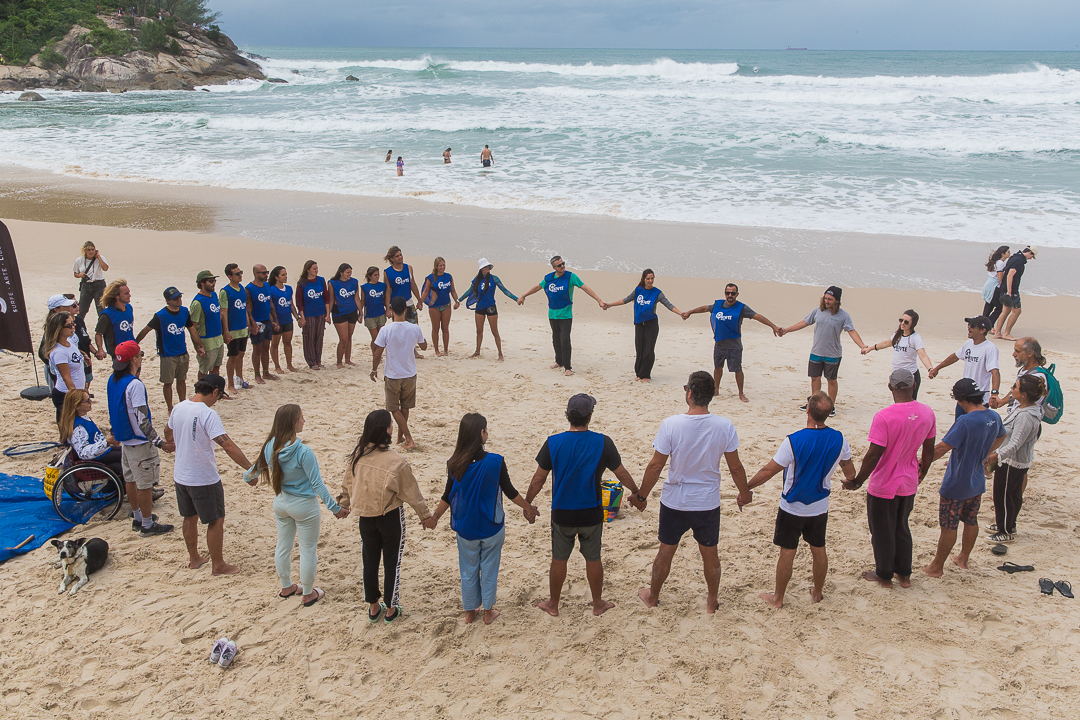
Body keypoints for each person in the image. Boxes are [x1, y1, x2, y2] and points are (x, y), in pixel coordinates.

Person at [634, 372, 749, 612]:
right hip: (706, 502)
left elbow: (656, 466)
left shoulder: (671, 424)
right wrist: (744, 492)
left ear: (689, 394)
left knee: (665, 551)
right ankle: (711, 601)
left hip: (675, 500)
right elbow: (735, 467)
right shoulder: (724, 426)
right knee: (710, 555)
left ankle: (653, 596)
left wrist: (641, 496)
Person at [525, 394, 644, 617]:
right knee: (593, 558)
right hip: (591, 513)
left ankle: (553, 604)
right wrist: (637, 493)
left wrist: (528, 504)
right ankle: (597, 603)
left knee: (559, 559)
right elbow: (622, 474)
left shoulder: (553, 442)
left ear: (568, 415)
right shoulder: (603, 442)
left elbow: (537, 480)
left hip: (562, 513)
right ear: (590, 416)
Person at [747, 393, 854, 608]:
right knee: (818, 548)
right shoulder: (839, 439)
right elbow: (850, 472)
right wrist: (849, 482)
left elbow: (768, 471)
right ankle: (817, 593)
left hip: (792, 505)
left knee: (788, 551)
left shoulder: (794, 440)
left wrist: (746, 487)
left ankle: (778, 598)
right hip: (819, 505)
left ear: (807, 410)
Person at [430, 413, 538, 624]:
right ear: (481, 433)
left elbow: (447, 496)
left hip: (466, 528)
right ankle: (488, 612)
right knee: (489, 568)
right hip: (492, 526)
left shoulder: (454, 463)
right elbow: (510, 492)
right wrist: (529, 508)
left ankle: (470, 612)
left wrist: (434, 518)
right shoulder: (495, 462)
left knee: (468, 569)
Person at [337, 409, 437, 624]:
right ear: (387, 430)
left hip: (365, 517)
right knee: (392, 561)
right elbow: (412, 494)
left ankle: (373, 606)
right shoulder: (396, 462)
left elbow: (347, 484)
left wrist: (343, 504)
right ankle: (391, 607)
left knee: (369, 560)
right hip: (389, 517)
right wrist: (426, 517)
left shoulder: (357, 456)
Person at [245, 404, 349, 607]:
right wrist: (335, 508)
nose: (304, 420)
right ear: (293, 422)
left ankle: (286, 586)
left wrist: (248, 477)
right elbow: (317, 483)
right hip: (303, 506)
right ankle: (308, 593)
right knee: (308, 549)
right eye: (301, 417)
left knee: (283, 545)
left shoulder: (270, 445)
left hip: (281, 502)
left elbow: (253, 471)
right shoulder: (303, 452)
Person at [843, 369, 936, 589]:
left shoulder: (885, 416)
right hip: (908, 479)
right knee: (902, 526)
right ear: (914, 385)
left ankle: (884, 574)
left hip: (884, 482)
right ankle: (904, 575)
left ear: (890, 387)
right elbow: (929, 449)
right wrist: (923, 471)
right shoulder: (927, 413)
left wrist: (857, 481)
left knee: (882, 530)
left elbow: (873, 454)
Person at [168, 374, 253, 575]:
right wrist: (249, 468)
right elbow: (228, 445)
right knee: (216, 519)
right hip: (202, 476)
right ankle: (218, 564)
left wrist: (178, 444)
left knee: (189, 517)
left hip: (181, 474)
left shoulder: (179, 407)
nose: (217, 401)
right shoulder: (208, 414)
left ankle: (194, 558)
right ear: (214, 391)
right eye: (219, 397)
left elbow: (167, 432)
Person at [923, 378, 1005, 578]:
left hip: (957, 482)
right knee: (971, 520)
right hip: (976, 481)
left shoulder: (965, 421)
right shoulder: (994, 416)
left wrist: (921, 465)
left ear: (960, 400)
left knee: (949, 525)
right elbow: (1002, 436)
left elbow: (943, 448)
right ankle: (963, 558)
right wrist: (987, 452)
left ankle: (937, 566)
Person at [106, 341, 174, 536]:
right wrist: (160, 442)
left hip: (125, 439)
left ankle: (137, 517)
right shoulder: (135, 385)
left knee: (130, 479)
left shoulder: (113, 379)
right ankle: (147, 524)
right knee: (144, 484)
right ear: (135, 359)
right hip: (140, 441)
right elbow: (142, 419)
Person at [681, 283, 781, 400]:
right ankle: (716, 389)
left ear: (737, 294)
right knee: (718, 368)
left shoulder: (741, 308)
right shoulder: (717, 305)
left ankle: (741, 393)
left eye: (733, 293)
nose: (730, 295)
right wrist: (690, 312)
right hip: (719, 344)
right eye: (728, 293)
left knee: (737, 369)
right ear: (724, 293)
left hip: (735, 346)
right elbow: (704, 308)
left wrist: (773, 326)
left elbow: (757, 316)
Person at [780, 286, 867, 411]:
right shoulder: (817, 311)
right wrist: (787, 330)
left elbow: (852, 331)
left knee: (831, 380)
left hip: (833, 354)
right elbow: (804, 322)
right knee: (815, 378)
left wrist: (862, 346)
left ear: (837, 301)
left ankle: (830, 407)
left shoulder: (844, 316)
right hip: (816, 352)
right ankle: (815, 405)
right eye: (825, 298)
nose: (826, 301)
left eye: (830, 299)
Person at [518, 255, 604, 376]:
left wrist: (598, 300)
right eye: (559, 265)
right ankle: (559, 361)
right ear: (554, 267)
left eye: (563, 263)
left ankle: (568, 367)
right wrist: (523, 295)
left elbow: (585, 287)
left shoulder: (571, 277)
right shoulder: (548, 278)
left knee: (565, 340)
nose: (562, 266)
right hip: (552, 314)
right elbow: (538, 287)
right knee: (556, 340)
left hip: (566, 314)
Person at [984, 374, 1046, 543]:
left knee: (1003, 495)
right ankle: (1008, 525)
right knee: (1012, 494)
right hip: (1017, 460)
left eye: (1016, 387)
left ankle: (1005, 531)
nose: (1012, 389)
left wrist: (996, 456)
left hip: (1012, 461)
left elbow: (1016, 443)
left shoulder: (1026, 416)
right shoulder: (1025, 409)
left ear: (1024, 394)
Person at [600, 269, 683, 382]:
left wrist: (680, 313)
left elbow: (668, 305)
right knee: (639, 349)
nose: (650, 281)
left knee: (648, 350)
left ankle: (646, 375)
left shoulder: (657, 293)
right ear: (643, 279)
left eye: (652, 278)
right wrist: (610, 305)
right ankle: (639, 374)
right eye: (648, 278)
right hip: (639, 324)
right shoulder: (638, 290)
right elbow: (626, 300)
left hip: (651, 324)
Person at [371, 297, 428, 449]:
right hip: (410, 373)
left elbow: (377, 353)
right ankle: (399, 437)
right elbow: (424, 347)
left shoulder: (386, 330)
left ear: (391, 310)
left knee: (394, 408)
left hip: (393, 374)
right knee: (405, 406)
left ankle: (408, 437)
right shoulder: (414, 328)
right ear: (405, 309)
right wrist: (421, 338)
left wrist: (374, 369)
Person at [135, 286, 205, 413]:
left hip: (182, 352)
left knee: (182, 380)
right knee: (168, 383)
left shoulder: (184, 311)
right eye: (175, 298)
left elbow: (192, 329)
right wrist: (135, 344)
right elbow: (146, 330)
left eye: (179, 296)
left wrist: (200, 345)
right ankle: (170, 408)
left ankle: (182, 403)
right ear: (168, 300)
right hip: (167, 354)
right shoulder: (160, 316)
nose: (179, 299)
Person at [928, 316, 1000, 419]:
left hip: (979, 399)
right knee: (959, 425)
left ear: (982, 330)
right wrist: (937, 368)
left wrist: (994, 393)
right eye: (968, 325)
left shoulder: (990, 348)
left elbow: (995, 372)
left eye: (973, 326)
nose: (969, 327)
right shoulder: (968, 344)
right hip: (964, 398)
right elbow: (955, 356)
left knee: (974, 429)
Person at [861, 309, 934, 401]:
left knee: (909, 403)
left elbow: (922, 355)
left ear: (913, 324)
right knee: (897, 402)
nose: (902, 323)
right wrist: (870, 348)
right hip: (896, 375)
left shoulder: (916, 338)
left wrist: (930, 369)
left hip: (910, 376)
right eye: (901, 320)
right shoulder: (897, 335)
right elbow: (886, 343)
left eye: (906, 322)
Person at [58, 389, 123, 477]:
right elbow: (83, 453)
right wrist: (106, 442)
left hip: (101, 452)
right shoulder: (78, 428)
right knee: (128, 460)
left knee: (128, 452)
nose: (91, 402)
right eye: (87, 401)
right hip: (95, 459)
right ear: (77, 406)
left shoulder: (83, 418)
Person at [463, 258, 517, 361]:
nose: (488, 268)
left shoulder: (494, 278)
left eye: (488, 266)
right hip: (480, 307)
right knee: (479, 331)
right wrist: (458, 300)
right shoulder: (476, 280)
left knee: (495, 331)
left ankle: (500, 354)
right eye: (485, 266)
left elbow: (505, 290)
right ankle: (477, 351)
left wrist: (516, 299)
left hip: (491, 307)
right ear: (481, 268)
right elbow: (469, 291)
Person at [44, 311, 85, 422]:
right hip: (66, 395)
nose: (74, 326)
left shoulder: (69, 343)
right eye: (70, 325)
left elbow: (72, 357)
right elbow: (66, 378)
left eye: (73, 323)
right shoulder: (59, 352)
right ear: (59, 329)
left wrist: (83, 356)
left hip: (74, 392)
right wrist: (78, 399)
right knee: (68, 429)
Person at [383, 246, 424, 358]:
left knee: (414, 327)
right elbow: (388, 291)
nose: (400, 257)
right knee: (399, 329)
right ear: (391, 259)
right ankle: (401, 351)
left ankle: (413, 351)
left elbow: (413, 284)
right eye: (397, 256)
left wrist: (419, 300)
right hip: (396, 305)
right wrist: (388, 308)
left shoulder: (408, 268)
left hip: (409, 302)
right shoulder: (388, 272)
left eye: (400, 254)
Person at [190, 270, 229, 381]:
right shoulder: (197, 303)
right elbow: (192, 327)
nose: (214, 283)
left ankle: (215, 392)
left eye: (214, 280)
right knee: (204, 370)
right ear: (202, 283)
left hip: (218, 339)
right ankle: (201, 393)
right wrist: (198, 346)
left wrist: (225, 332)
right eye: (211, 281)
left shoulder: (214, 295)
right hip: (207, 341)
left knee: (216, 367)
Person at [219, 263, 252, 394]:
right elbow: (223, 313)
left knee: (241, 355)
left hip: (242, 328)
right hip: (232, 329)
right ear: (229, 276)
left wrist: (249, 324)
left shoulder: (242, 289)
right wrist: (226, 331)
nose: (240, 275)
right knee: (232, 356)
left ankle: (240, 380)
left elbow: (244, 309)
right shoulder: (225, 291)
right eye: (237, 274)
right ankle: (230, 384)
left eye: (241, 272)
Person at [991, 337, 1046, 414]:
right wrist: (1002, 401)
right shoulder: (1024, 369)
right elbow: (1017, 389)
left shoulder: (1036, 377)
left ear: (1029, 353)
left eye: (1017, 351)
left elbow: (1030, 403)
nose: (1013, 354)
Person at [993, 246, 1037, 341]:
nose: (1031, 259)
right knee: (1017, 311)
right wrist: (1009, 292)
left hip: (1004, 288)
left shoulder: (1014, 256)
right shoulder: (1019, 260)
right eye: (1032, 257)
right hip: (1011, 290)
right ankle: (1006, 333)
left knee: (1006, 310)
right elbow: (1010, 275)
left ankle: (997, 333)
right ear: (1030, 253)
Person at [246, 264, 280, 383]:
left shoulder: (266, 286)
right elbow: (248, 309)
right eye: (263, 273)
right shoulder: (249, 288)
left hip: (267, 320)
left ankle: (266, 372)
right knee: (257, 349)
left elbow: (270, 304)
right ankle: (257, 374)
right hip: (257, 321)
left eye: (267, 272)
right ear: (256, 274)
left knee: (266, 347)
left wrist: (275, 320)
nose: (266, 275)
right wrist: (252, 324)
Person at [420, 257, 459, 357]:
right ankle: (436, 350)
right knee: (435, 328)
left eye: (443, 265)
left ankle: (446, 350)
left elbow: (453, 290)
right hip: (434, 306)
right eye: (440, 265)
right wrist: (420, 302)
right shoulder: (431, 278)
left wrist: (457, 301)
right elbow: (425, 291)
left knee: (445, 328)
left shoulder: (449, 276)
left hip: (446, 305)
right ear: (436, 266)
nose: (442, 267)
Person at [295, 260, 330, 369]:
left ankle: (318, 360)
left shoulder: (321, 280)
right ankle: (312, 362)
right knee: (309, 337)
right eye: (314, 268)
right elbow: (299, 302)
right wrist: (302, 317)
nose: (316, 270)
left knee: (319, 337)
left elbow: (326, 298)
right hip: (308, 314)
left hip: (320, 312)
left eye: (317, 268)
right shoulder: (302, 283)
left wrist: (328, 314)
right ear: (308, 270)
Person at [94, 279, 135, 360]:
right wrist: (100, 349)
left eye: (129, 292)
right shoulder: (107, 314)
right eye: (126, 293)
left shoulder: (129, 308)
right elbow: (99, 334)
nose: (129, 295)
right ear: (116, 296)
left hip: (132, 349)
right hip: (118, 353)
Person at [269, 266, 299, 373]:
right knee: (275, 344)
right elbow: (270, 307)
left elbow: (291, 304)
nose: (285, 277)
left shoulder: (289, 288)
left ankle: (289, 364)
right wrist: (273, 322)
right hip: (277, 321)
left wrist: (297, 317)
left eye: (286, 274)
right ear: (276, 277)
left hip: (288, 320)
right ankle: (277, 366)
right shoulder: (271, 289)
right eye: (283, 275)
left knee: (288, 343)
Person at [328, 263, 360, 368]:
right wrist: (328, 314)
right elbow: (331, 300)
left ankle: (347, 359)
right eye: (347, 272)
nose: (349, 274)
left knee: (349, 337)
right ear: (341, 273)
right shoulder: (332, 283)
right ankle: (339, 361)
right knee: (343, 338)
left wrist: (361, 312)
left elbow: (356, 298)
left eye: (350, 272)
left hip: (352, 311)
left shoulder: (354, 282)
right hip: (339, 312)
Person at [72, 241, 108, 322]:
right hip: (86, 285)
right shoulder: (79, 260)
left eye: (92, 249)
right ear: (84, 250)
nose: (91, 251)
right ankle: (78, 327)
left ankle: (102, 329)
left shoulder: (100, 258)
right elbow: (75, 273)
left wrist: (98, 257)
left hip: (99, 285)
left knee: (101, 309)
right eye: (88, 250)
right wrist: (80, 275)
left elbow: (105, 268)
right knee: (82, 309)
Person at [360, 266, 388, 358]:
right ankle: (375, 355)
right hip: (370, 315)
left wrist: (388, 309)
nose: (377, 277)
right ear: (369, 276)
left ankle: (379, 354)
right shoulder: (364, 287)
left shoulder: (383, 286)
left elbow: (385, 299)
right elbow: (362, 302)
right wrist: (360, 313)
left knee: (381, 337)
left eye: (378, 274)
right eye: (375, 275)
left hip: (381, 313)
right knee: (375, 338)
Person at [981, 246, 1010, 327]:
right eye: (1008, 252)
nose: (1009, 253)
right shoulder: (1000, 263)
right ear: (1003, 254)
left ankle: (982, 323)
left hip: (989, 284)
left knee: (988, 306)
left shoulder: (995, 262)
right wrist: (1003, 288)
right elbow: (1000, 277)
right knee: (999, 307)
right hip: (994, 286)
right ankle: (988, 324)